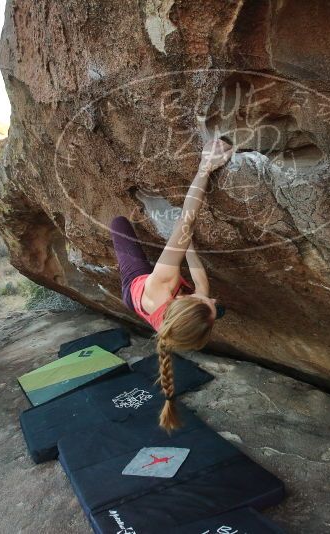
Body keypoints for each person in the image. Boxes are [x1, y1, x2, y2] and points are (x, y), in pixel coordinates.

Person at [109, 138, 233, 430]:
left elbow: (186, 223)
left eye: (207, 304)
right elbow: (199, 278)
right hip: (169, 310)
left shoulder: (162, 285)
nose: (212, 300)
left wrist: (206, 166)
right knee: (209, 301)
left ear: (183, 301)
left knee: (119, 224)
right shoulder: (189, 310)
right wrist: (184, 248)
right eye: (211, 306)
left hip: (136, 290)